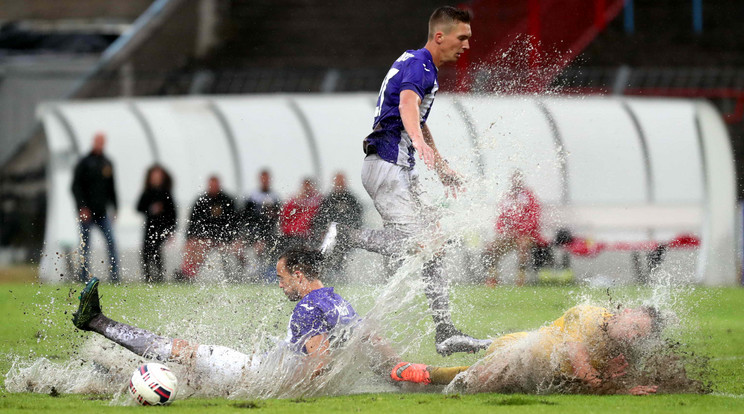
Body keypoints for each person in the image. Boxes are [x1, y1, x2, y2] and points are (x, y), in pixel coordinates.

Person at [319, 6, 487, 356]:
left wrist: (438, 164)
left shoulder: (418, 65)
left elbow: (418, 118)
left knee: (432, 242)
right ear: (440, 36)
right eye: (463, 37)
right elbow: (409, 105)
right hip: (388, 167)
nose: (467, 45)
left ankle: (444, 330)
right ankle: (345, 234)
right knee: (418, 243)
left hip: (396, 168)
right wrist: (420, 143)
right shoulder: (420, 66)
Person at [71, 249, 362, 388]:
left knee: (183, 351)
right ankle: (108, 376)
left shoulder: (307, 308)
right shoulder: (339, 302)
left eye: (282, 278)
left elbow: (319, 363)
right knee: (188, 376)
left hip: (253, 375)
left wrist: (283, 390)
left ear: (298, 275)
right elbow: (370, 337)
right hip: (259, 371)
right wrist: (398, 370)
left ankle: (96, 321)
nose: (280, 285)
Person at [391, 304, 662, 395]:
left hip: (539, 372)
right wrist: (616, 389)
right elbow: (582, 369)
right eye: (635, 325)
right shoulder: (589, 315)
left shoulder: (619, 351)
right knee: (474, 384)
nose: (632, 335)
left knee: (486, 381)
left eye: (639, 335)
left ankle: (430, 371)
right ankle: (420, 373)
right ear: (625, 312)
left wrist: (613, 381)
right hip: (517, 350)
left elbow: (587, 381)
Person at [71, 132, 120, 283]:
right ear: (93, 142)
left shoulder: (107, 163)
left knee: (111, 242)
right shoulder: (84, 162)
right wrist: (82, 207)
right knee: (85, 246)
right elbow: (75, 187)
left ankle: (114, 275)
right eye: (98, 141)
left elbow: (111, 188)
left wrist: (115, 207)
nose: (100, 144)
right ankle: (83, 276)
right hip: (87, 212)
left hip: (102, 212)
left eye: (102, 141)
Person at [482, 170, 543, 286]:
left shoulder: (529, 196)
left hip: (526, 235)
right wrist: (504, 231)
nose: (516, 182)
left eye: (518, 179)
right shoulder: (507, 196)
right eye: (513, 179)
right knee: (491, 247)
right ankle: (492, 277)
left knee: (523, 246)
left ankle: (521, 278)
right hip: (508, 235)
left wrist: (520, 230)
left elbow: (534, 216)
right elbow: (500, 218)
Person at [173, 176, 238, 282]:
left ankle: (189, 274)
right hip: (205, 238)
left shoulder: (227, 201)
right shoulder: (201, 201)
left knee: (202, 246)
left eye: (215, 184)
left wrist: (223, 238)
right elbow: (193, 224)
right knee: (193, 245)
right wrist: (192, 238)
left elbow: (233, 224)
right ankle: (187, 272)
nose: (213, 187)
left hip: (223, 239)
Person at [312, 172, 363, 280]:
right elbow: (320, 218)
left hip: (346, 236)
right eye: (338, 181)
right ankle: (325, 276)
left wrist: (352, 231)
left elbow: (358, 219)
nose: (340, 183)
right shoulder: (328, 199)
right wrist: (322, 231)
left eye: (342, 181)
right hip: (330, 236)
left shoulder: (352, 199)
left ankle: (342, 277)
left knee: (341, 254)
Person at [136, 165, 177, 283]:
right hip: (149, 227)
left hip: (162, 228)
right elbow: (138, 207)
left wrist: (171, 230)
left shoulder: (166, 193)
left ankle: (159, 276)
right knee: (145, 252)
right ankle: (147, 276)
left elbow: (173, 214)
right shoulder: (147, 192)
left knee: (156, 250)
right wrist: (150, 209)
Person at [241, 169, 281, 281]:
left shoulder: (274, 197)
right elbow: (246, 217)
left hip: (269, 232)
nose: (265, 181)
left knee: (261, 247)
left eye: (267, 178)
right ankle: (247, 271)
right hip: (253, 231)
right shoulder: (252, 196)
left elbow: (277, 218)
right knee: (238, 248)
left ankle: (262, 273)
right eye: (263, 178)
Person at [279, 178, 322, 251]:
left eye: (309, 186)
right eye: (305, 186)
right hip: (291, 236)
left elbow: (318, 218)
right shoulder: (293, 201)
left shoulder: (317, 202)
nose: (307, 189)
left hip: (307, 237)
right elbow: (284, 218)